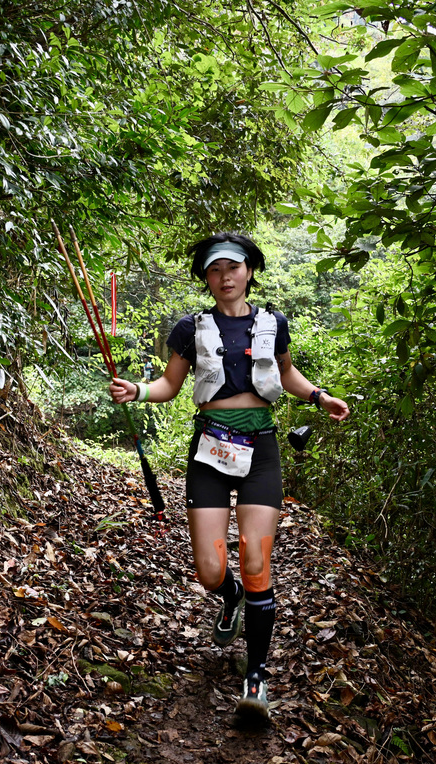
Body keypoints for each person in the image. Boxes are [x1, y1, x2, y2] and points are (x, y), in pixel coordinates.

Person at [108, 233, 350, 720]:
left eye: (232, 268)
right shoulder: (189, 329)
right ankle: (230, 596)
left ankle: (255, 679)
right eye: (214, 271)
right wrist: (136, 389)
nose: (224, 278)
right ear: (206, 279)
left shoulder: (272, 324)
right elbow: (170, 385)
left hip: (260, 448)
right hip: (210, 450)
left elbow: (286, 373)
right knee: (211, 570)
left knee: (257, 562)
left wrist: (320, 397)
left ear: (249, 272)